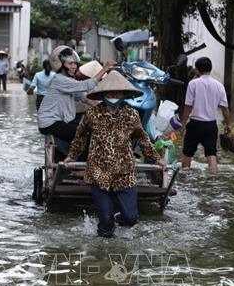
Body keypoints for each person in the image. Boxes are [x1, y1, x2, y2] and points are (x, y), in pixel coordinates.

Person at [64, 71, 167, 237]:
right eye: (110, 93)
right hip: (98, 171)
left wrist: (157, 159)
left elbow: (143, 139)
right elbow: (80, 137)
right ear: (103, 95)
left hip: (124, 172)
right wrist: (71, 157)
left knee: (131, 218)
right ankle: (104, 254)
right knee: (105, 220)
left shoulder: (131, 115)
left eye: (117, 92)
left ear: (124, 94)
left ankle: (117, 223)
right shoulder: (92, 114)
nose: (113, 95)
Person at [37, 46, 111, 142]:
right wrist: (105, 69)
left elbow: (85, 97)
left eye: (75, 63)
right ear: (61, 65)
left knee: (89, 127)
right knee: (85, 133)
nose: (74, 66)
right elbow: (86, 85)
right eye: (70, 63)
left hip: (60, 121)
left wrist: (107, 109)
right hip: (49, 123)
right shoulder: (60, 79)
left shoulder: (69, 81)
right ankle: (75, 156)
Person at [179, 57, 231, 171]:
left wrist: (183, 125)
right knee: (211, 154)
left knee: (188, 153)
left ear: (197, 70)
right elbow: (225, 108)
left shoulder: (193, 84)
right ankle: (213, 177)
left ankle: (184, 176)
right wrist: (228, 125)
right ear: (210, 68)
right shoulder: (219, 85)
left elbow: (188, 106)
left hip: (195, 124)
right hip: (211, 125)